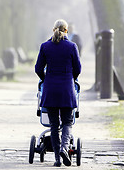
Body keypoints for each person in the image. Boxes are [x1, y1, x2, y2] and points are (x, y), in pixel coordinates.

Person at [35, 19, 81, 167]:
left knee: (54, 125)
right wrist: (71, 79)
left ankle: (57, 159)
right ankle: (64, 148)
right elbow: (78, 69)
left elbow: (38, 68)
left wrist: (46, 79)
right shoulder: (72, 46)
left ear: (53, 29)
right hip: (67, 90)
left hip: (50, 90)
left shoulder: (45, 46)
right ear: (66, 31)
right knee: (67, 122)